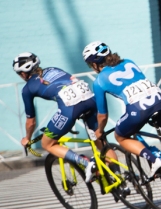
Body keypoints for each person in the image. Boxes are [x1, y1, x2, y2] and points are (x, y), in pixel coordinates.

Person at [82, 42, 161, 197]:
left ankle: (153, 159)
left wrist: (100, 130)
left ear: (94, 63)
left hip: (138, 109)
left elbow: (103, 115)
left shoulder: (98, 82)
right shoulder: (128, 61)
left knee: (121, 136)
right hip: (160, 100)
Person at [14, 53, 101, 183]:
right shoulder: (54, 69)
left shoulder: (27, 89)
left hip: (71, 109)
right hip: (91, 101)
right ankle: (120, 178)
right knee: (100, 140)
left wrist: (27, 138)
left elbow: (31, 121)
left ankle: (86, 163)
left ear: (23, 74)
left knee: (47, 143)